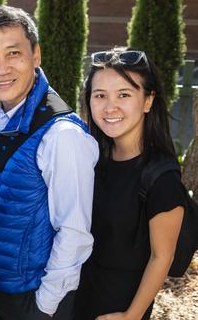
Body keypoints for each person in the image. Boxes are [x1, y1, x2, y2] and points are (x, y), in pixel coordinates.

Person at [0, 5, 98, 319]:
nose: (2, 69)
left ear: (36, 55)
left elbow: (74, 232)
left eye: (13, 53)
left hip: (34, 297)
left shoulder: (62, 134)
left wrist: (45, 307)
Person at [74, 48, 185, 320]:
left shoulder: (161, 176)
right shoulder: (90, 158)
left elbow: (162, 257)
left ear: (148, 101)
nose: (110, 107)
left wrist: (130, 316)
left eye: (124, 94)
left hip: (117, 307)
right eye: (100, 96)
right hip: (74, 297)